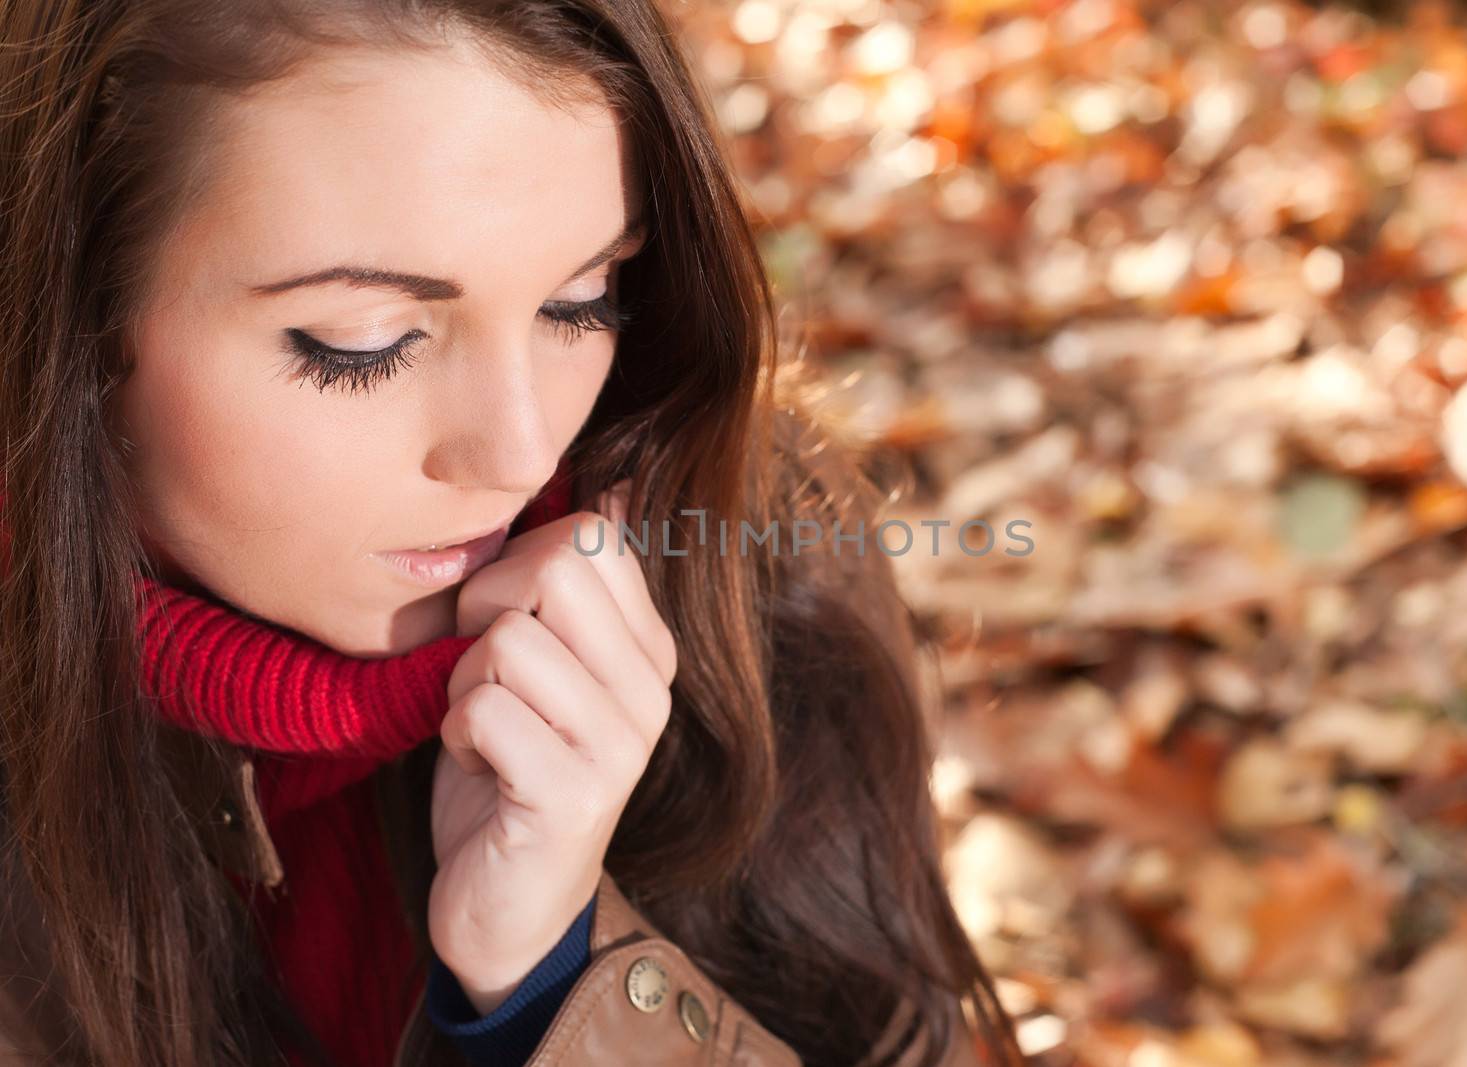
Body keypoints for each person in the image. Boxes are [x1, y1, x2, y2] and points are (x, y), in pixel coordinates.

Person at [0, 2, 1025, 1066]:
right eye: (367, 346)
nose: (522, 453)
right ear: (73, 320)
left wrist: (548, 979)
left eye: (581, 302)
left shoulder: (758, 576)